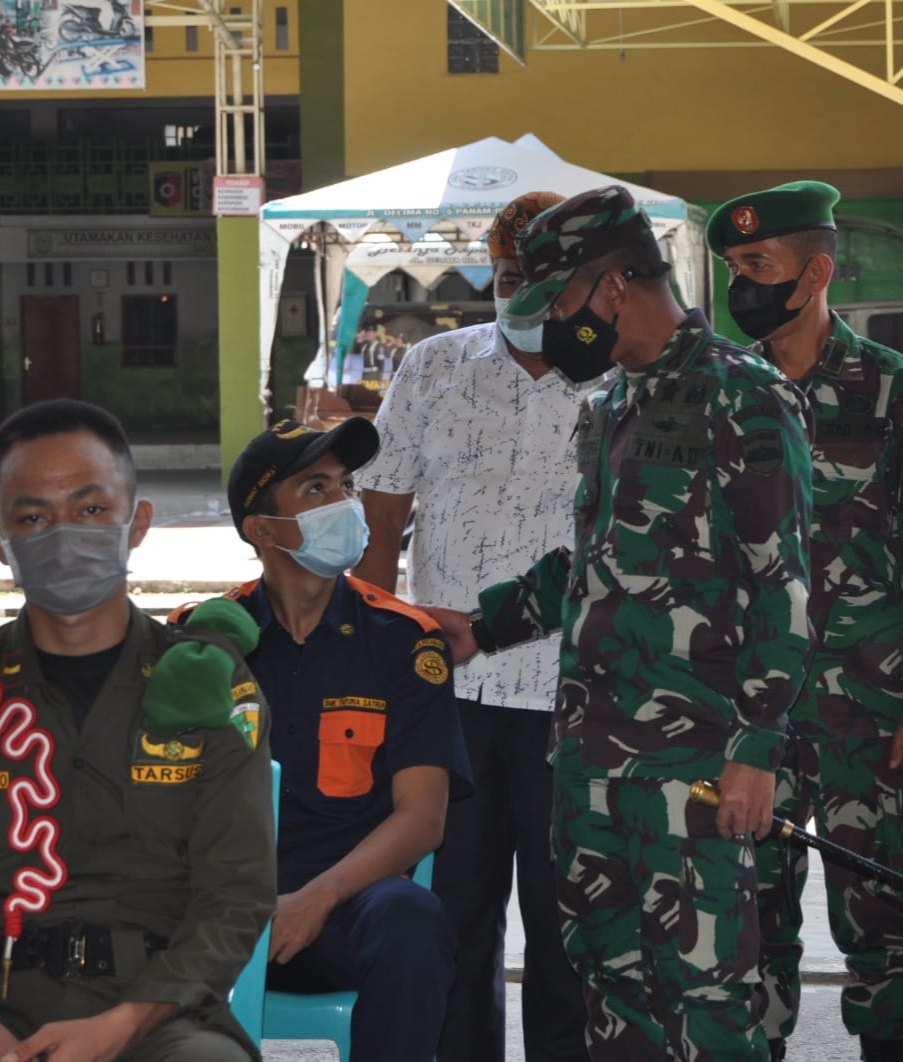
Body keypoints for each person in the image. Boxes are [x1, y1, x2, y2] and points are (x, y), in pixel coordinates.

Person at [426, 184, 815, 1060]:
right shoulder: (610, 405)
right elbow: (595, 561)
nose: (545, 326)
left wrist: (757, 752)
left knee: (708, 1000)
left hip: (696, 769)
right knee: (608, 990)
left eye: (553, 303)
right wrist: (480, 627)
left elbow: (781, 585)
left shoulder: (741, 396)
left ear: (608, 291)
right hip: (592, 761)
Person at [0, 398, 275, 1062]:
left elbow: (235, 895)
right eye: (33, 516)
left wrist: (124, 1025)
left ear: (138, 523)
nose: (64, 534)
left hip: (163, 1013)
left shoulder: (213, 685)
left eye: (91, 510)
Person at [706, 182, 903, 1062]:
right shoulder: (708, 391)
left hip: (872, 706)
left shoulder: (891, 391)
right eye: (732, 268)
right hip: (746, 717)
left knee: (881, 924)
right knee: (745, 933)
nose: (739, 285)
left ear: (814, 271)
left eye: (757, 265)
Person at [354, 191, 591, 1062]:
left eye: (540, 281)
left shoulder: (624, 375)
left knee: (570, 927)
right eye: (507, 277)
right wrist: (375, 675)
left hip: (578, 696)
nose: (520, 296)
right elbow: (380, 526)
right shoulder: (434, 365)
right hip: (445, 695)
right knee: (452, 919)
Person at [174, 417, 473, 1062]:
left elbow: (423, 818)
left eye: (346, 485)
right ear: (261, 530)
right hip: (211, 914)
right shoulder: (200, 642)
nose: (345, 503)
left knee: (412, 922)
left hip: (341, 909)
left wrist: (319, 897)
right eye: (316, 489)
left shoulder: (403, 640)